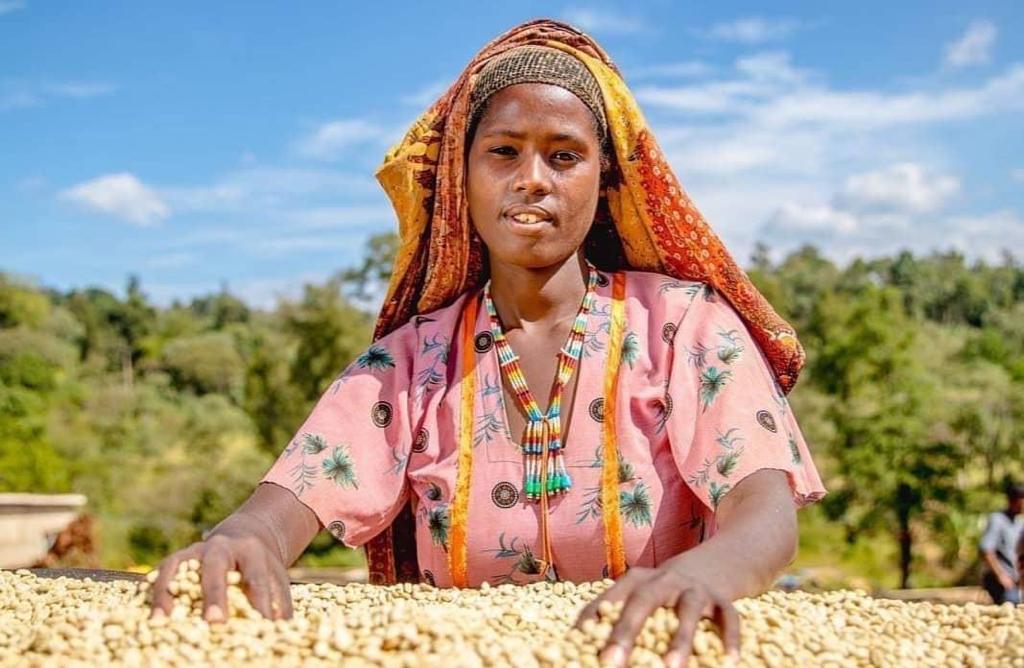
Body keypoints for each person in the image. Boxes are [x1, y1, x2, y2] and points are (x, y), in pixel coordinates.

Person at [150, 18, 826, 665]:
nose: (533, 178)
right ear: (461, 178)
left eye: (565, 155)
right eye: (503, 152)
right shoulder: (411, 365)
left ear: (607, 179)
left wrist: (707, 572)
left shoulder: (687, 328)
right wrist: (239, 540)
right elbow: (278, 513)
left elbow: (763, 510)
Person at [980, 482, 1024, 605]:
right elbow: (986, 550)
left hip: (1017, 580)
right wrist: (1001, 576)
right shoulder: (997, 520)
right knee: (1011, 605)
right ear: (1015, 501)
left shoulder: (1020, 523)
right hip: (1001, 580)